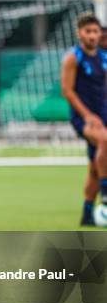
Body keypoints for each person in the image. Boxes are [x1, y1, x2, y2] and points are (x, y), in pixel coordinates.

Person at [61, 13, 107, 226]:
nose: (92, 35)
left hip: (102, 114)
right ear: (79, 33)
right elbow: (67, 91)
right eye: (87, 31)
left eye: (95, 31)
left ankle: (87, 215)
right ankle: (105, 196)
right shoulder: (73, 57)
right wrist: (87, 116)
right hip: (84, 118)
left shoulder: (104, 57)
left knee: (94, 166)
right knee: (105, 141)